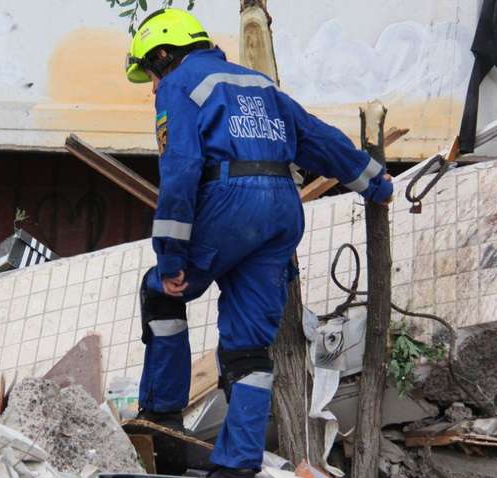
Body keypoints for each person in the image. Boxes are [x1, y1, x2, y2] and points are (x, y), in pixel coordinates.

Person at [125, 8, 393, 478]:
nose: (151, 86)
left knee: (160, 294)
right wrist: (376, 182)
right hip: (281, 211)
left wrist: (170, 258)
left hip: (228, 204)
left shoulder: (178, 83)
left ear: (164, 54)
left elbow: (182, 170)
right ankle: (237, 466)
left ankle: (161, 421)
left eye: (148, 72)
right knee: (248, 347)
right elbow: (317, 139)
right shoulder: (257, 84)